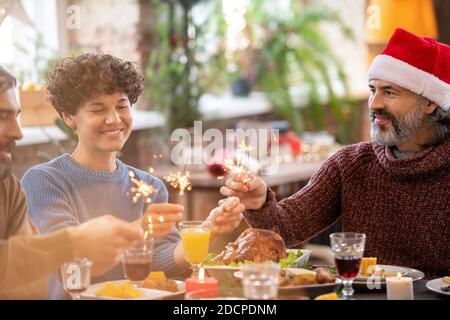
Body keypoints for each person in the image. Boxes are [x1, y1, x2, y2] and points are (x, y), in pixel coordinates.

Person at [221, 28, 450, 278]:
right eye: (373, 90)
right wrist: (260, 203)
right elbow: (287, 229)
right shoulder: (350, 164)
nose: (374, 104)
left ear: (430, 102)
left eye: (390, 92)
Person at [21, 53, 244, 299]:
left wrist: (206, 231)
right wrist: (139, 229)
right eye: (98, 109)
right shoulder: (44, 181)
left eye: (121, 106)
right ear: (69, 117)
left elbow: (160, 264)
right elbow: (72, 264)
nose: (114, 119)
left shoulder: (150, 185)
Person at [0, 65, 146, 299]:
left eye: (16, 116)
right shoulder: (44, 180)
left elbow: (29, 285)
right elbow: (60, 269)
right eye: (1, 116)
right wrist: (73, 243)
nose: (18, 132)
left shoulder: (7, 188)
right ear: (68, 117)